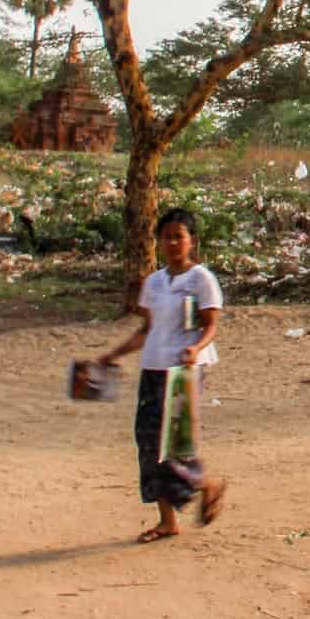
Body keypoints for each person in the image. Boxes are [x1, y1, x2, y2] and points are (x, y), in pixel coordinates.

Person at [96, 208, 227, 543]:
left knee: (175, 441)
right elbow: (147, 329)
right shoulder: (154, 282)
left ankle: (204, 484)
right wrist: (116, 353)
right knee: (147, 442)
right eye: (166, 237)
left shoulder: (202, 280)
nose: (171, 243)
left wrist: (196, 348)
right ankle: (167, 520)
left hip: (184, 369)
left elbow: (211, 325)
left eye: (178, 236)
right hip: (153, 367)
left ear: (191, 241)